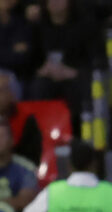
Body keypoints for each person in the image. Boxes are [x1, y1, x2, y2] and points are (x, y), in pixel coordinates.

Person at [30, 0, 102, 132]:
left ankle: (79, 134)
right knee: (39, 87)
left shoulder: (85, 25)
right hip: (48, 76)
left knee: (82, 88)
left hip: (75, 75)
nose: (54, 2)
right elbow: (31, 58)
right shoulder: (39, 27)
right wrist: (41, 69)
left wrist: (73, 72)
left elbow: (95, 59)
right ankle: (41, 133)